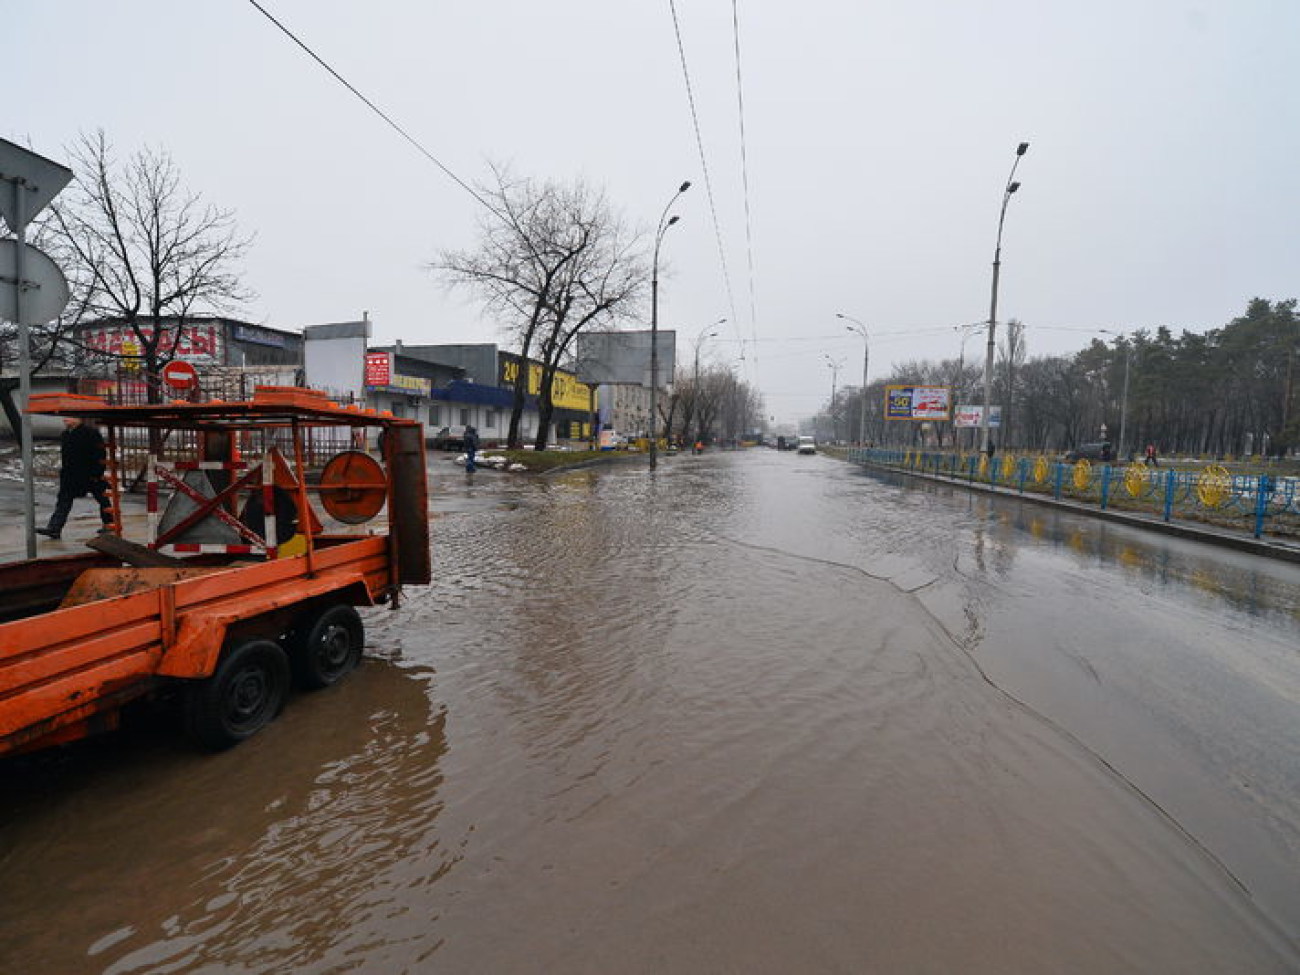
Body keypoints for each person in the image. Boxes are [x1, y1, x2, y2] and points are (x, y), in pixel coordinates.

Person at [37, 417, 114, 540]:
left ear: (78, 419)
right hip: (70, 475)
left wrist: (97, 472)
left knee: (102, 498)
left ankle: (109, 524)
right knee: (63, 501)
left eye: (69, 416)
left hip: (90, 473)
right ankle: (54, 528)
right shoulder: (66, 434)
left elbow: (100, 453)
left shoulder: (90, 433)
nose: (65, 419)